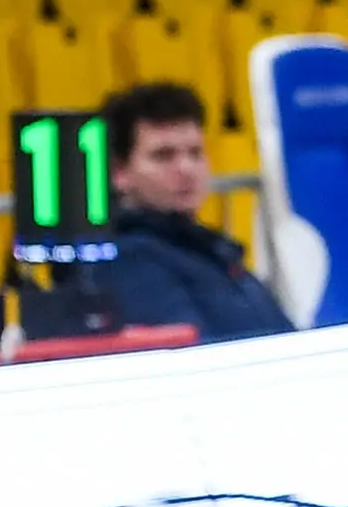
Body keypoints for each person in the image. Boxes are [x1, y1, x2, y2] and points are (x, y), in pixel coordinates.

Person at [89, 81, 289, 341]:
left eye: (195, 153)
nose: (186, 169)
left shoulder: (210, 250)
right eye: (163, 155)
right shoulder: (126, 260)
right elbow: (194, 357)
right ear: (119, 172)